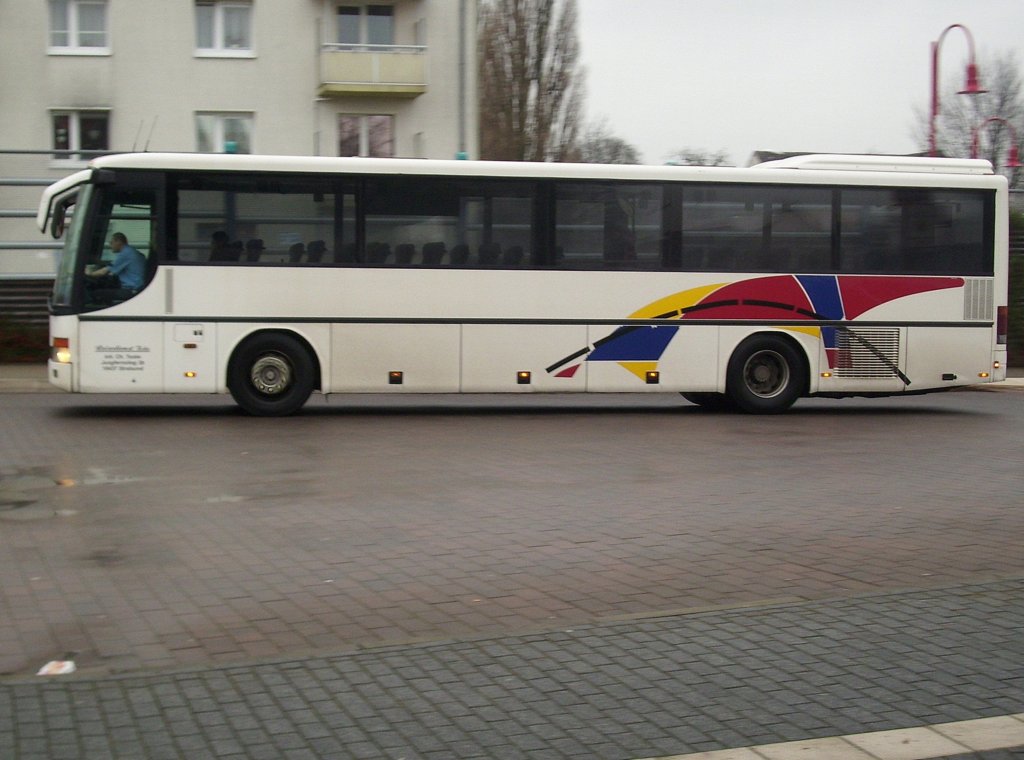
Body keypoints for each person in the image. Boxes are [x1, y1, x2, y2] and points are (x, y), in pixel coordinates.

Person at [85, 232, 147, 302]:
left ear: (119, 242)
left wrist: (89, 274)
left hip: (132, 290)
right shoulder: (130, 251)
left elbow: (104, 272)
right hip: (138, 288)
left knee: (96, 294)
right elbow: (112, 267)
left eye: (111, 242)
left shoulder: (125, 254)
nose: (110, 245)